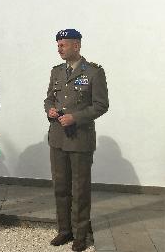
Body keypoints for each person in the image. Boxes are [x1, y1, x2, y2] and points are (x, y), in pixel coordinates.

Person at [44, 29, 109, 252]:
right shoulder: (56, 72)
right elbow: (48, 98)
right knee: (60, 187)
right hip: (58, 139)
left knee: (80, 189)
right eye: (58, 44)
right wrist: (50, 110)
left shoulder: (93, 72)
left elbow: (101, 105)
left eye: (63, 44)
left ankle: (80, 234)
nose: (59, 48)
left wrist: (76, 117)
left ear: (76, 45)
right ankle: (64, 231)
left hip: (80, 139)